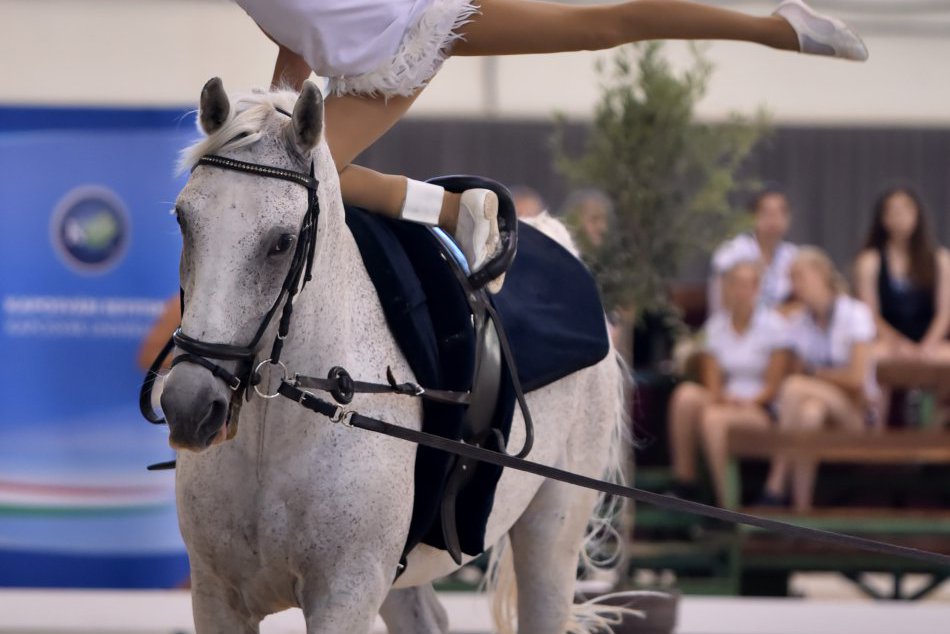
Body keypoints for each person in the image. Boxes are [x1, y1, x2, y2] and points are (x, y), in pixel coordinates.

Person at [232, 0, 868, 292]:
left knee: (598, 27)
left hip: (424, 16)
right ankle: (456, 211)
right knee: (303, 177)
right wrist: (276, 116)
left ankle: (778, 28)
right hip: (374, 73)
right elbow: (301, 36)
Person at [761, 247, 879, 511]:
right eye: (791, 279)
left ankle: (776, 483)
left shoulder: (855, 314)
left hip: (856, 413)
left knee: (795, 387)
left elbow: (857, 380)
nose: (795, 286)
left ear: (822, 273)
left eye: (799, 276)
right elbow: (791, 368)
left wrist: (815, 375)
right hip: (821, 414)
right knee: (809, 414)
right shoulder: (799, 322)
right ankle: (803, 510)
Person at [668, 260, 791, 506]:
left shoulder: (775, 326)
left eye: (747, 285)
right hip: (726, 399)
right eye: (735, 284)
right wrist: (725, 398)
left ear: (757, 289)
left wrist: (747, 401)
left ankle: (726, 506)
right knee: (686, 396)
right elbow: (712, 379)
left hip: (761, 407)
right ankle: (686, 480)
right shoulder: (716, 327)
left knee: (714, 418)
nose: (740, 291)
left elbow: (775, 385)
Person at [853, 186, 950, 390]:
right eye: (893, 211)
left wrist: (928, 345)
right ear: (883, 218)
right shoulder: (870, 262)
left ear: (917, 214)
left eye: (905, 210)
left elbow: (945, 312)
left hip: (930, 340)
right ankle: (876, 416)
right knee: (867, 358)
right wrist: (899, 344)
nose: (900, 217)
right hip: (888, 341)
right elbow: (869, 315)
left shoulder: (940, 259)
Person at [708, 187, 798, 314]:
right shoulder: (732, 251)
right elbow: (723, 301)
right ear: (752, 216)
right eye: (767, 213)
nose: (773, 219)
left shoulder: (793, 255)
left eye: (780, 213)